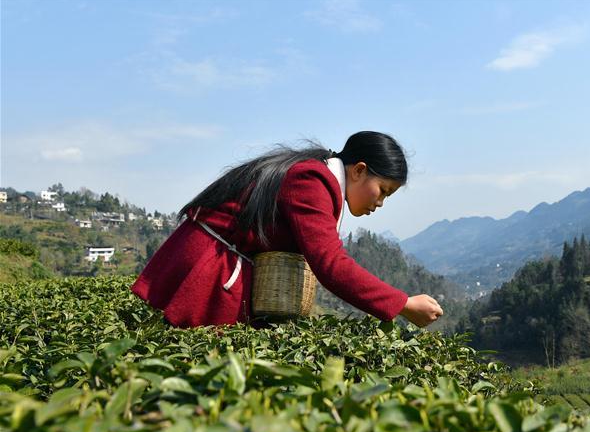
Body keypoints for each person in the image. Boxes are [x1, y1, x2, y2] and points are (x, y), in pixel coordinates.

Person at [131, 131, 444, 328]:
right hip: (210, 264)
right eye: (383, 190)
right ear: (359, 170)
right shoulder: (313, 181)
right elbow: (331, 264)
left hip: (216, 259)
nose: (381, 202)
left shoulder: (318, 178)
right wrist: (402, 304)